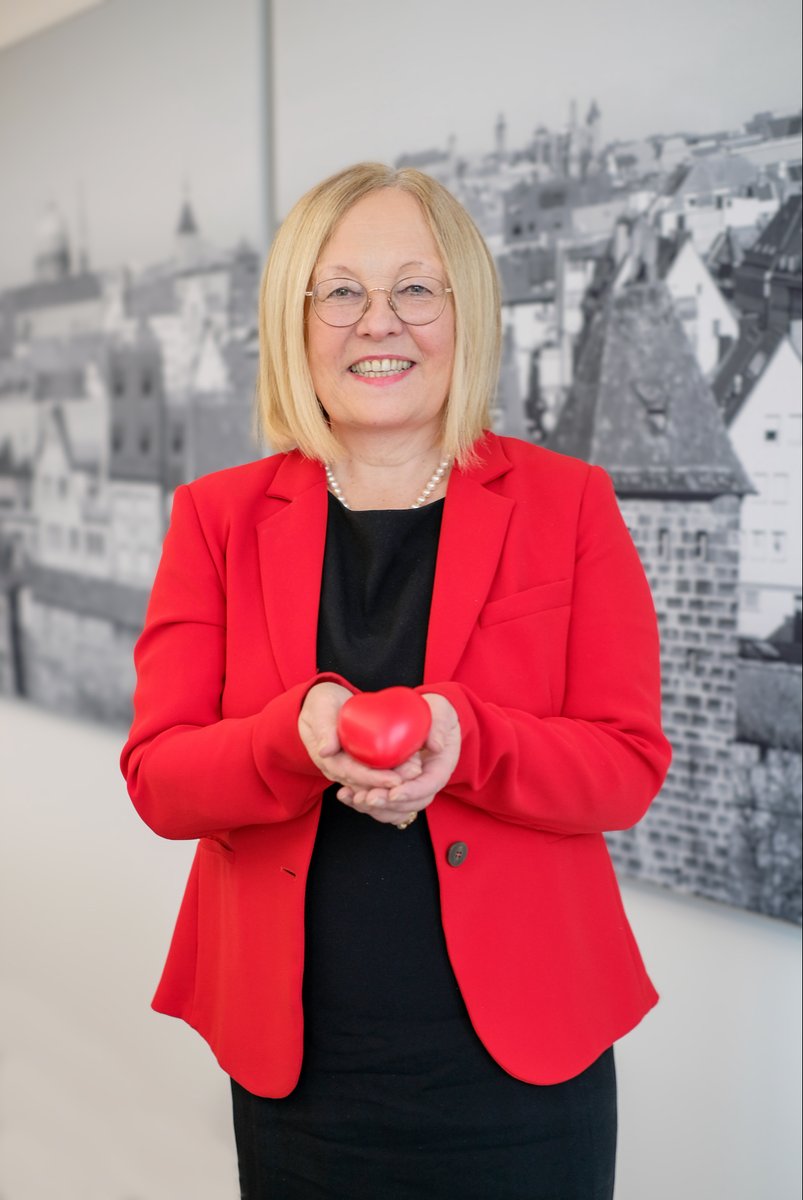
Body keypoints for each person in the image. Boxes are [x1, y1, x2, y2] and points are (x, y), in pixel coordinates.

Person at [121, 162, 671, 1199]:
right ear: (296, 319)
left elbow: (625, 766)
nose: (379, 322)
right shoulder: (215, 517)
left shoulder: (569, 504)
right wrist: (293, 735)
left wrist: (469, 735)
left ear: (465, 311)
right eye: (339, 291)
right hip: (302, 1070)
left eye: (415, 288)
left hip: (523, 1069)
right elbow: (160, 777)